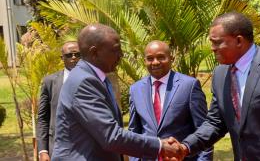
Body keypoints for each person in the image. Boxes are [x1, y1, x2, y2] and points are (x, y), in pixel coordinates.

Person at [176, 12, 260, 161]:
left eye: (216, 42)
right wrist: (185, 147)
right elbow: (215, 123)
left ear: (239, 41)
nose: (212, 48)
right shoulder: (221, 75)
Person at [51, 24, 184, 161]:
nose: (120, 55)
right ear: (94, 52)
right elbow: (111, 136)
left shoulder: (98, 78)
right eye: (115, 50)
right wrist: (160, 145)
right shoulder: (84, 82)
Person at [128, 41, 213, 161]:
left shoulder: (189, 86)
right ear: (144, 61)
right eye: (150, 58)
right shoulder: (135, 89)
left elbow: (203, 131)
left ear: (171, 58)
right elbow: (134, 132)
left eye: (161, 57)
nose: (155, 62)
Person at [37, 41, 80, 161]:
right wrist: (43, 150)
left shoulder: (93, 80)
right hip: (58, 147)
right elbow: (43, 118)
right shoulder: (49, 82)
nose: (74, 58)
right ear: (62, 58)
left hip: (85, 148)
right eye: (69, 55)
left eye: (77, 54)